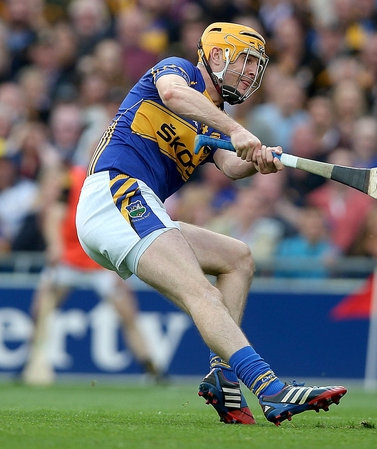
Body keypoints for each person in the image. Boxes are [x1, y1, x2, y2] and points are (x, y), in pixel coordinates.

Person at [75, 22, 346, 426]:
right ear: (217, 56)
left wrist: (259, 160)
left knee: (237, 258)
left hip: (139, 205)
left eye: (257, 65)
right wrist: (237, 129)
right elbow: (171, 94)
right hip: (115, 191)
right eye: (246, 61)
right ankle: (270, 389)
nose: (253, 73)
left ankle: (223, 375)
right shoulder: (177, 71)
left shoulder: (213, 118)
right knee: (200, 291)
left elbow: (230, 165)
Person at [22, 162, 163, 386]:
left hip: (97, 262)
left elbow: (53, 214)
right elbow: (55, 215)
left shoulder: (76, 177)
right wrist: (55, 245)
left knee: (127, 313)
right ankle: (32, 363)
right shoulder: (78, 179)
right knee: (40, 310)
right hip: (68, 260)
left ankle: (150, 366)